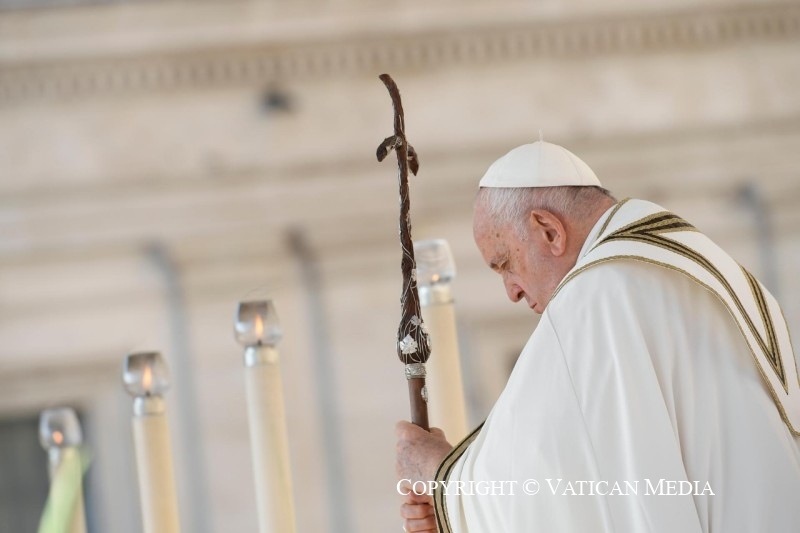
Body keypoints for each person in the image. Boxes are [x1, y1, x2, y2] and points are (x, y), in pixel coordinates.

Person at [395, 141, 800, 532]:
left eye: (505, 264)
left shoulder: (597, 296)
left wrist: (441, 479)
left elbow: (551, 487)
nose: (512, 291)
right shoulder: (694, 262)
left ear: (549, 231)